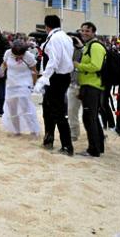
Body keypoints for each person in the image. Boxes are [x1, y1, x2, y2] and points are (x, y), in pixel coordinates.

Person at [34, 15, 75, 156]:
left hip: (55, 77)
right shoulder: (66, 37)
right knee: (48, 107)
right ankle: (49, 138)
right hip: (62, 77)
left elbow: (54, 60)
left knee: (57, 111)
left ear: (47, 26)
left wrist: (44, 78)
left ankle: (67, 146)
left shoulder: (54, 38)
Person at [73, 22, 106, 157]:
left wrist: (78, 66)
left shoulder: (95, 46)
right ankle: (99, 146)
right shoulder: (88, 46)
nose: (84, 33)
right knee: (92, 118)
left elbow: (96, 66)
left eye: (87, 31)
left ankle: (93, 149)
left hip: (93, 86)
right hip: (88, 85)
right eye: (82, 30)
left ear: (93, 32)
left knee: (89, 118)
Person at [0, 40, 40, 135]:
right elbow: (4, 64)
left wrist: (34, 84)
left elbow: (34, 71)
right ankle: (16, 130)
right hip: (11, 84)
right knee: (12, 109)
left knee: (26, 107)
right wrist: (1, 70)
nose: (18, 57)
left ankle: (33, 130)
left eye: (20, 55)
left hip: (24, 84)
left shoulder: (29, 56)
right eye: (16, 54)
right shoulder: (8, 53)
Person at [67, 33, 85, 142]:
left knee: (90, 113)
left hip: (86, 85)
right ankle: (74, 133)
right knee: (71, 110)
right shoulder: (68, 50)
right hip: (72, 84)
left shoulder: (86, 49)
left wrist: (81, 46)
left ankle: (98, 133)